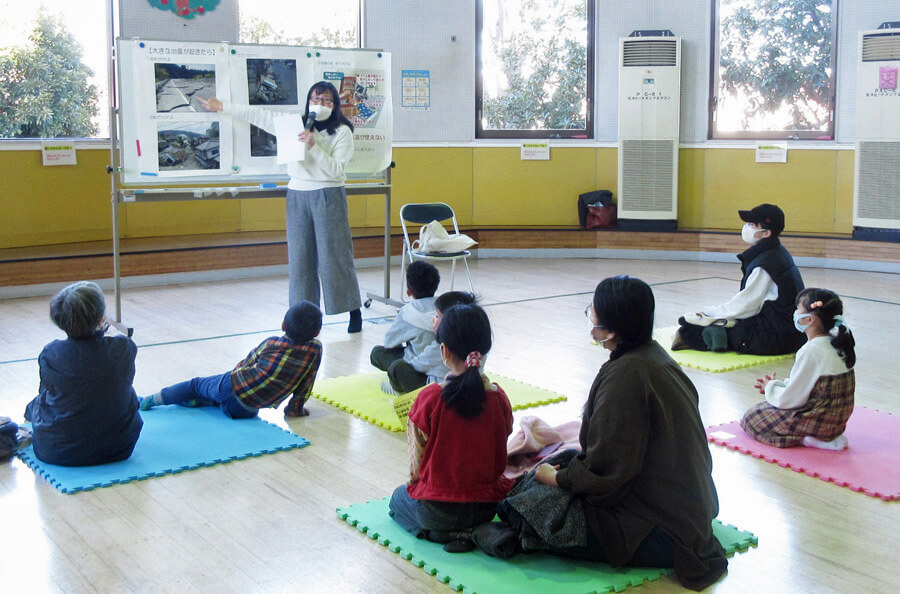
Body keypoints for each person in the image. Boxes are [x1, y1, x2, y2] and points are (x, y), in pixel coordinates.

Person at [478, 277, 727, 591]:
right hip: (688, 509)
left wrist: (555, 480)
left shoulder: (625, 378)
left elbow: (607, 475)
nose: (590, 322)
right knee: (564, 459)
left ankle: (514, 530)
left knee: (529, 507)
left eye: (592, 316)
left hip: (658, 530)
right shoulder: (656, 359)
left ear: (610, 331)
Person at [199, 82, 363, 333]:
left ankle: (353, 310)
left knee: (335, 256)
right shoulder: (294, 124)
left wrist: (313, 146)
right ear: (308, 101)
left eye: (327, 100)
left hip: (328, 194)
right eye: (315, 98)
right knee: (300, 259)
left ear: (335, 104)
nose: (320, 104)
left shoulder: (342, 131)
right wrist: (223, 107)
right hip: (298, 193)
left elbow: (337, 170)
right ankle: (302, 317)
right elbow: (260, 116)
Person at [388, 304, 514, 553]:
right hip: (485, 508)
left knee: (397, 499)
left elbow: (416, 462)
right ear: (484, 350)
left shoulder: (430, 398)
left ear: (444, 351)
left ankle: (441, 534)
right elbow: (502, 443)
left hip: (437, 512)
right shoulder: (499, 399)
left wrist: (418, 487)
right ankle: (474, 532)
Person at [23, 282, 143, 467]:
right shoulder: (123, 347)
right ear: (101, 317)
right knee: (125, 393)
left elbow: (47, 392)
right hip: (120, 447)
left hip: (56, 451)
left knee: (40, 402)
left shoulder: (51, 352)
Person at [140, 301, 323, 419]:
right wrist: (295, 408)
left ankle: (152, 400)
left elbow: (247, 363)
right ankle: (207, 401)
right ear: (316, 333)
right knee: (218, 397)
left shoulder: (272, 343)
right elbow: (307, 383)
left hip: (232, 386)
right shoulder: (315, 350)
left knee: (196, 385)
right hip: (246, 411)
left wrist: (230, 378)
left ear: (283, 325)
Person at [673, 203, 805, 355]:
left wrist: (710, 313)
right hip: (786, 330)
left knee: (691, 328)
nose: (746, 227)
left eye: (752, 224)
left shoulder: (765, 264)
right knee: (722, 321)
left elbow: (745, 306)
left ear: (766, 233)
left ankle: (697, 338)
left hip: (778, 337)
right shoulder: (776, 252)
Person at [741, 288, 856, 450]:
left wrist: (771, 387)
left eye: (798, 310)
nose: (795, 313)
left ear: (810, 319)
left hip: (820, 421)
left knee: (752, 417)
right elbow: (807, 386)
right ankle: (822, 436)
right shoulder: (837, 342)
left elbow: (791, 399)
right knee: (764, 409)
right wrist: (777, 385)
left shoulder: (811, 350)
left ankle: (812, 439)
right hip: (837, 421)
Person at [370, 261, 443, 395]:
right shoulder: (443, 308)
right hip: (444, 372)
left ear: (409, 291)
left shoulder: (408, 312)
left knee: (378, 354)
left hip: (423, 377)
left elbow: (389, 343)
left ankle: (398, 387)